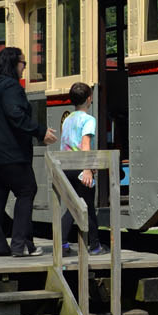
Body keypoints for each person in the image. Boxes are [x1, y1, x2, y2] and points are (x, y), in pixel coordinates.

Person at [0, 46, 44, 257]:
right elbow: (16, 115)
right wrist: (40, 131)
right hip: (10, 153)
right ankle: (19, 244)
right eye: (23, 63)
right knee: (27, 190)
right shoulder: (11, 87)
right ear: (14, 64)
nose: (24, 68)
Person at [58, 81, 105, 256]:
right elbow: (85, 144)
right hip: (80, 167)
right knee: (82, 206)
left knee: (78, 205)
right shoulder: (88, 120)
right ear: (89, 99)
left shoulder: (68, 119)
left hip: (66, 167)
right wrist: (88, 168)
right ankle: (90, 245)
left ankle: (89, 244)